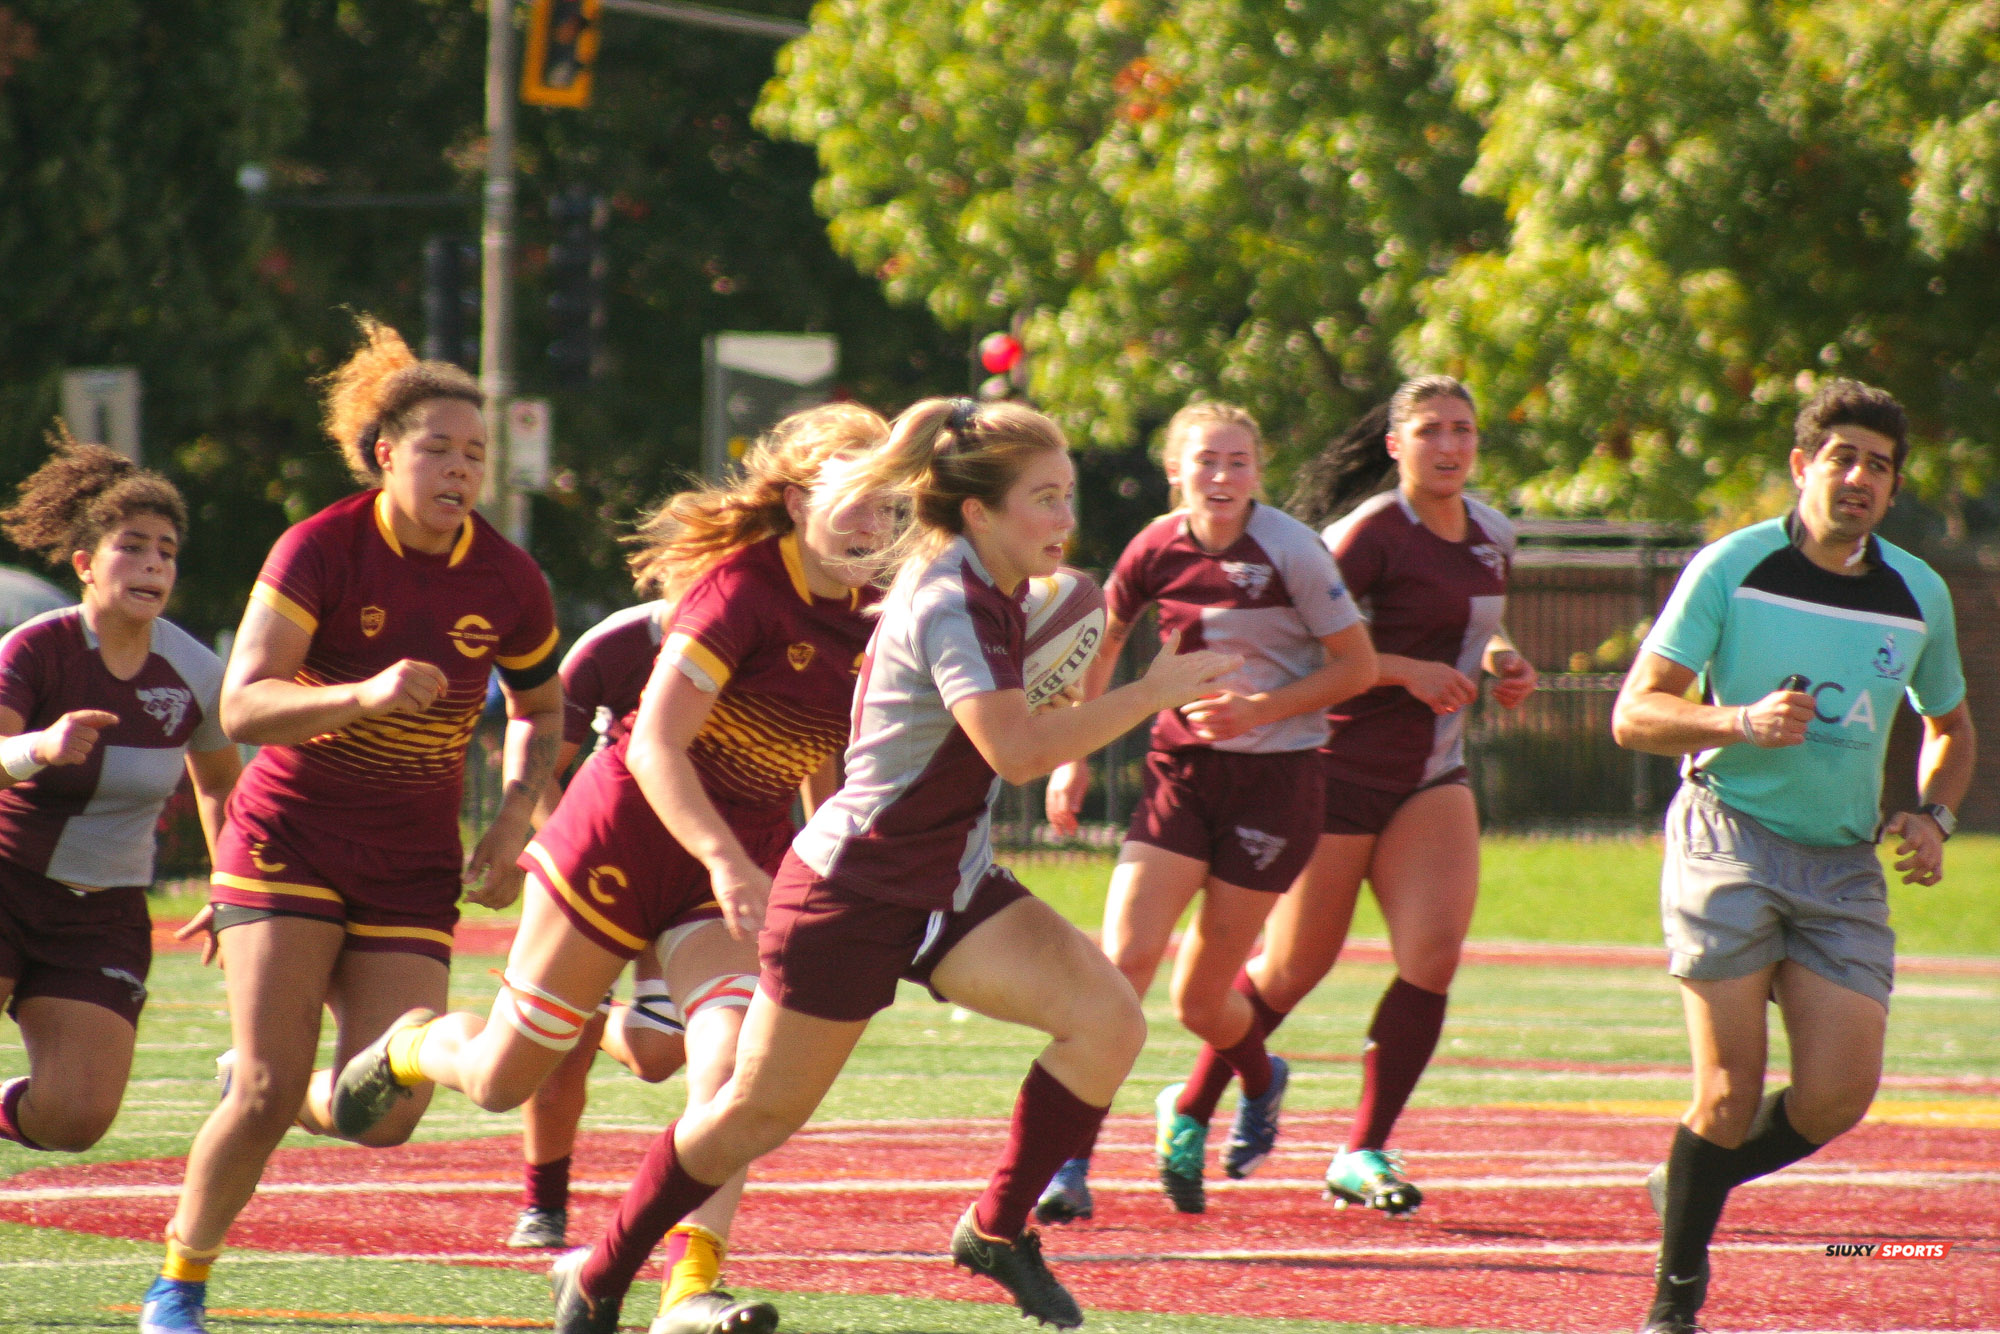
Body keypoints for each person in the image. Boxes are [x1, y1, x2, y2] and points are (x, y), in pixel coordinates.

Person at [532, 397, 1239, 1334]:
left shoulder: (993, 590)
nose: (1067, 520)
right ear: (981, 512)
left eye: (1068, 497)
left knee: (1107, 1020)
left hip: (950, 885)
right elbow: (1017, 753)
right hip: (853, 890)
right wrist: (1148, 694)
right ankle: (600, 1273)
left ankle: (995, 1229)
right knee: (753, 1113)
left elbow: (1022, 707)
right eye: (1045, 499)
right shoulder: (950, 598)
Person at [328, 403, 897, 1334]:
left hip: (733, 863)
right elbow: (652, 752)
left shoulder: (877, 612)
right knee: (508, 1075)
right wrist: (726, 859)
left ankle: (689, 1286)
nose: (877, 522)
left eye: (890, 501)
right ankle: (412, 1044)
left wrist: (815, 860)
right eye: (858, 497)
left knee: (733, 1068)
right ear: (796, 500)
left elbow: (826, 760)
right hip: (622, 840)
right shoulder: (742, 590)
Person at [140, 317, 564, 1334]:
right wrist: (361, 696)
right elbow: (240, 707)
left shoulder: (507, 576)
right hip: (289, 837)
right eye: (437, 448)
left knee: (392, 1113)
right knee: (265, 1084)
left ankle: (279, 1082)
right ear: (385, 454)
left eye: (475, 453)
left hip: (412, 863)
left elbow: (544, 709)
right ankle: (179, 1285)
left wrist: (512, 822)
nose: (460, 468)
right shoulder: (319, 545)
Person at [1611, 378, 1973, 1334]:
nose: (1859, 477)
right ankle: (1674, 1301)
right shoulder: (1733, 568)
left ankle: (1685, 1179)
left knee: (1837, 1097)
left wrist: (1933, 813)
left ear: (1894, 489)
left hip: (1843, 866)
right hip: (1727, 837)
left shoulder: (1918, 592)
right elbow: (1634, 712)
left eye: (1879, 466)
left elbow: (1950, 725)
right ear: (1803, 466)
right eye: (1842, 457)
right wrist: (1737, 720)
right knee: (1726, 1091)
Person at [1170, 377, 1538, 1220]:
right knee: (1294, 970)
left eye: (1464, 430)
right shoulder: (1365, 533)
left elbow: (1473, 627)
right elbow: (1294, 632)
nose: (1450, 445)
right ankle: (1189, 1108)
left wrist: (1501, 662)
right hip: (1330, 766)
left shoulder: (1492, 532)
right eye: (1432, 430)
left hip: (1430, 774)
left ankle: (1362, 1147)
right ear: (1395, 446)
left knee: (1434, 957)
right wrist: (1404, 671)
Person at [1036, 401, 1376, 1220]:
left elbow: (1358, 667)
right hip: (1180, 775)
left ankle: (1262, 1076)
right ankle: (1069, 1167)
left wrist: (1261, 711)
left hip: (1275, 785)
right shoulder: (1154, 546)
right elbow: (1105, 644)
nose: (1221, 477)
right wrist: (1073, 755)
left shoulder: (1293, 551)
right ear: (1175, 473)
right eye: (1206, 461)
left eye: (1237, 462)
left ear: (1258, 472)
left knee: (1199, 1002)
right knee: (1122, 964)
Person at [0, 433, 240, 1155]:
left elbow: (223, 787)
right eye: (132, 547)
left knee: (76, 1119)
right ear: (85, 565)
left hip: (101, 913)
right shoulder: (35, 649)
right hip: (7, 880)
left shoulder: (196, 671)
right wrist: (40, 748)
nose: (153, 564)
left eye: (166, 551)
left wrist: (232, 893)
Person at [506, 599, 690, 1253]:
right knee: (542, 1062)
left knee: (658, 1053)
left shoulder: (781, 630)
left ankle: (597, 1010)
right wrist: (568, 861)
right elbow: (541, 767)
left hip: (694, 871)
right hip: (601, 858)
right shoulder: (617, 642)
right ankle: (543, 1204)